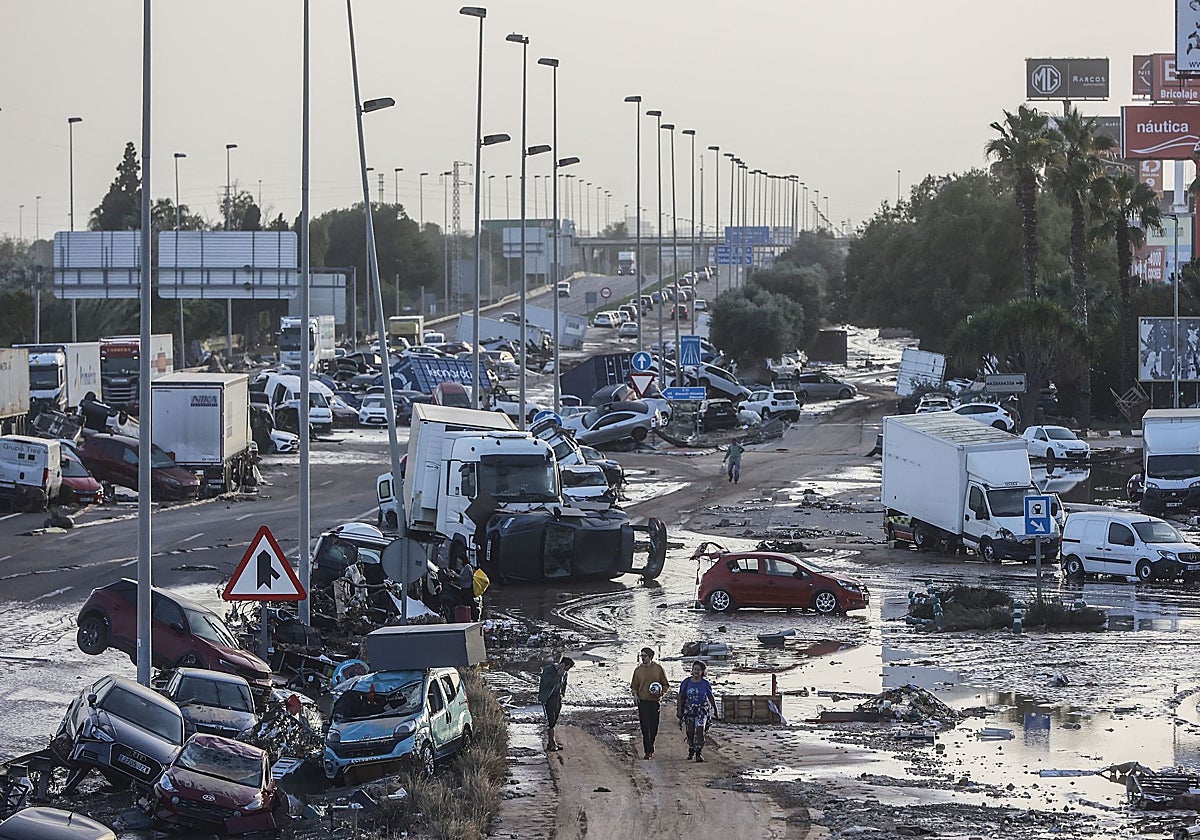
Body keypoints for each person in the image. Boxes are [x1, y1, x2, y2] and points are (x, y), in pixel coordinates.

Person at [630, 647, 670, 760]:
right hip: (642, 702)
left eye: (644, 656)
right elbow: (634, 686)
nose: (642, 658)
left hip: (654, 701)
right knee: (644, 727)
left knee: (654, 726)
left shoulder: (658, 669)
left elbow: (665, 684)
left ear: (651, 657)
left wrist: (661, 693)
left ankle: (651, 743)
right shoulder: (638, 670)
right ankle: (648, 751)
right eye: (641, 656)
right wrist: (635, 695)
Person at [677, 660, 718, 762]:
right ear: (692, 670)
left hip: (701, 711)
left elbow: (710, 696)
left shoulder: (705, 683)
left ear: (702, 672)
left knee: (700, 730)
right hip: (689, 710)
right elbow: (680, 696)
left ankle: (698, 752)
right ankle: (691, 748)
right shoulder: (686, 682)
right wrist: (679, 710)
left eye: (698, 670)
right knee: (690, 731)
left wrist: (715, 709)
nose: (696, 671)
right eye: (694, 669)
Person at [539, 655, 575, 752]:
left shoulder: (564, 673)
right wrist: (558, 675)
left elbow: (564, 684)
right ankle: (551, 743)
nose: (567, 670)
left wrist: (562, 694)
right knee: (550, 720)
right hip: (548, 697)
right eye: (567, 667)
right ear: (563, 665)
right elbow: (548, 683)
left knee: (555, 718)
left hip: (557, 698)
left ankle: (552, 742)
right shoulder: (549, 670)